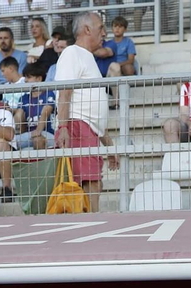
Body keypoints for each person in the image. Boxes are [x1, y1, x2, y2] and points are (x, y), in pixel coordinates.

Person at [54, 11, 111, 212]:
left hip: (89, 130)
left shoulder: (87, 57)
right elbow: (64, 92)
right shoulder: (72, 53)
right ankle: (92, 226)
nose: (105, 33)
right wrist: (63, 127)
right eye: (101, 28)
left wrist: (110, 146)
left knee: (93, 183)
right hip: (77, 127)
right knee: (88, 184)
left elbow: (94, 110)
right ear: (87, 29)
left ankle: (91, 224)